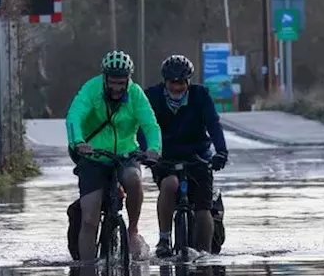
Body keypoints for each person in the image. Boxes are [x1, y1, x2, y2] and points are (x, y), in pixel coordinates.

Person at [65, 50, 162, 262]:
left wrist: (154, 148)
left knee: (133, 179)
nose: (117, 88)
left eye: (121, 82)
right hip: (94, 157)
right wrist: (79, 142)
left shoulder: (136, 94)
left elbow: (150, 125)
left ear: (128, 79)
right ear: (104, 77)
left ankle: (133, 230)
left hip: (126, 154)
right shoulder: (91, 90)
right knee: (89, 218)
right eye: (112, 82)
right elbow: (74, 116)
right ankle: (87, 270)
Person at [144, 54, 229, 258]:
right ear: (165, 82)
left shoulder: (201, 95)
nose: (176, 87)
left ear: (188, 82)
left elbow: (213, 124)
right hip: (165, 158)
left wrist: (221, 152)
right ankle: (164, 239)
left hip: (198, 157)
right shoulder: (152, 97)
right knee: (169, 185)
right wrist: (147, 151)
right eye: (172, 83)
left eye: (181, 83)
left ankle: (204, 254)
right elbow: (144, 126)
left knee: (202, 209)